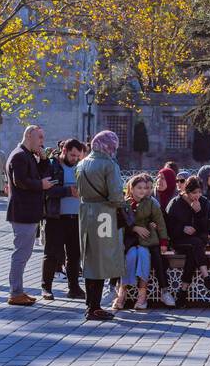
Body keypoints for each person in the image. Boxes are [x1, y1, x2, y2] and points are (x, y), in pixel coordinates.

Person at [76, 130, 125, 322]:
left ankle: (91, 304)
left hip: (85, 213)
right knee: (102, 258)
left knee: (89, 258)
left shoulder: (81, 163)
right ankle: (95, 307)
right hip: (104, 214)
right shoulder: (109, 165)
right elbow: (115, 195)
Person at [5, 125, 54, 306]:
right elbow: (21, 181)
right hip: (22, 211)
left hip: (28, 211)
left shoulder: (27, 155)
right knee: (21, 253)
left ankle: (18, 290)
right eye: (39, 137)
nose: (42, 142)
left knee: (24, 253)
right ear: (29, 136)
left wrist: (43, 161)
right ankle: (15, 292)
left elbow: (37, 175)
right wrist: (41, 185)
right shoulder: (19, 155)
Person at [114, 172, 172, 310]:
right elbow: (120, 224)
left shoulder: (151, 203)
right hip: (130, 242)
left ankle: (142, 294)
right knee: (131, 256)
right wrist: (134, 228)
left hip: (147, 241)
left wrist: (164, 241)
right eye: (139, 188)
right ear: (131, 188)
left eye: (145, 188)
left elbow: (160, 222)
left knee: (144, 255)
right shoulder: (125, 204)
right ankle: (122, 292)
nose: (143, 191)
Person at [41, 138, 86, 301]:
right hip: (56, 217)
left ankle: (74, 288)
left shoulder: (80, 167)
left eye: (77, 156)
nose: (75, 159)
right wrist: (69, 191)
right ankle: (46, 287)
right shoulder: (52, 165)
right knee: (52, 254)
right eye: (72, 155)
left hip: (76, 217)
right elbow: (48, 191)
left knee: (74, 255)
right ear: (64, 151)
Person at [165, 175, 210, 306]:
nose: (197, 195)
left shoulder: (204, 202)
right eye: (194, 192)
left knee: (193, 254)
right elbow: (167, 225)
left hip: (197, 242)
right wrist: (182, 228)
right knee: (196, 244)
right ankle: (206, 276)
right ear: (187, 192)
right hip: (179, 241)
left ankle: (182, 292)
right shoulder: (176, 203)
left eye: (200, 192)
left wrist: (199, 213)